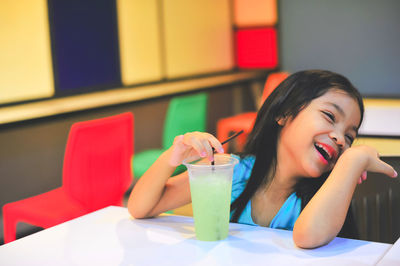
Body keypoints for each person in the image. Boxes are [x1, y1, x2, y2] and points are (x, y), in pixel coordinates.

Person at [127, 70, 397, 248]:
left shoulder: (325, 194)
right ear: (284, 114)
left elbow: (308, 237)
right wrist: (173, 156)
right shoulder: (234, 173)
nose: (340, 139)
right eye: (329, 116)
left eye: (350, 136)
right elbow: (140, 207)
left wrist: (352, 161)